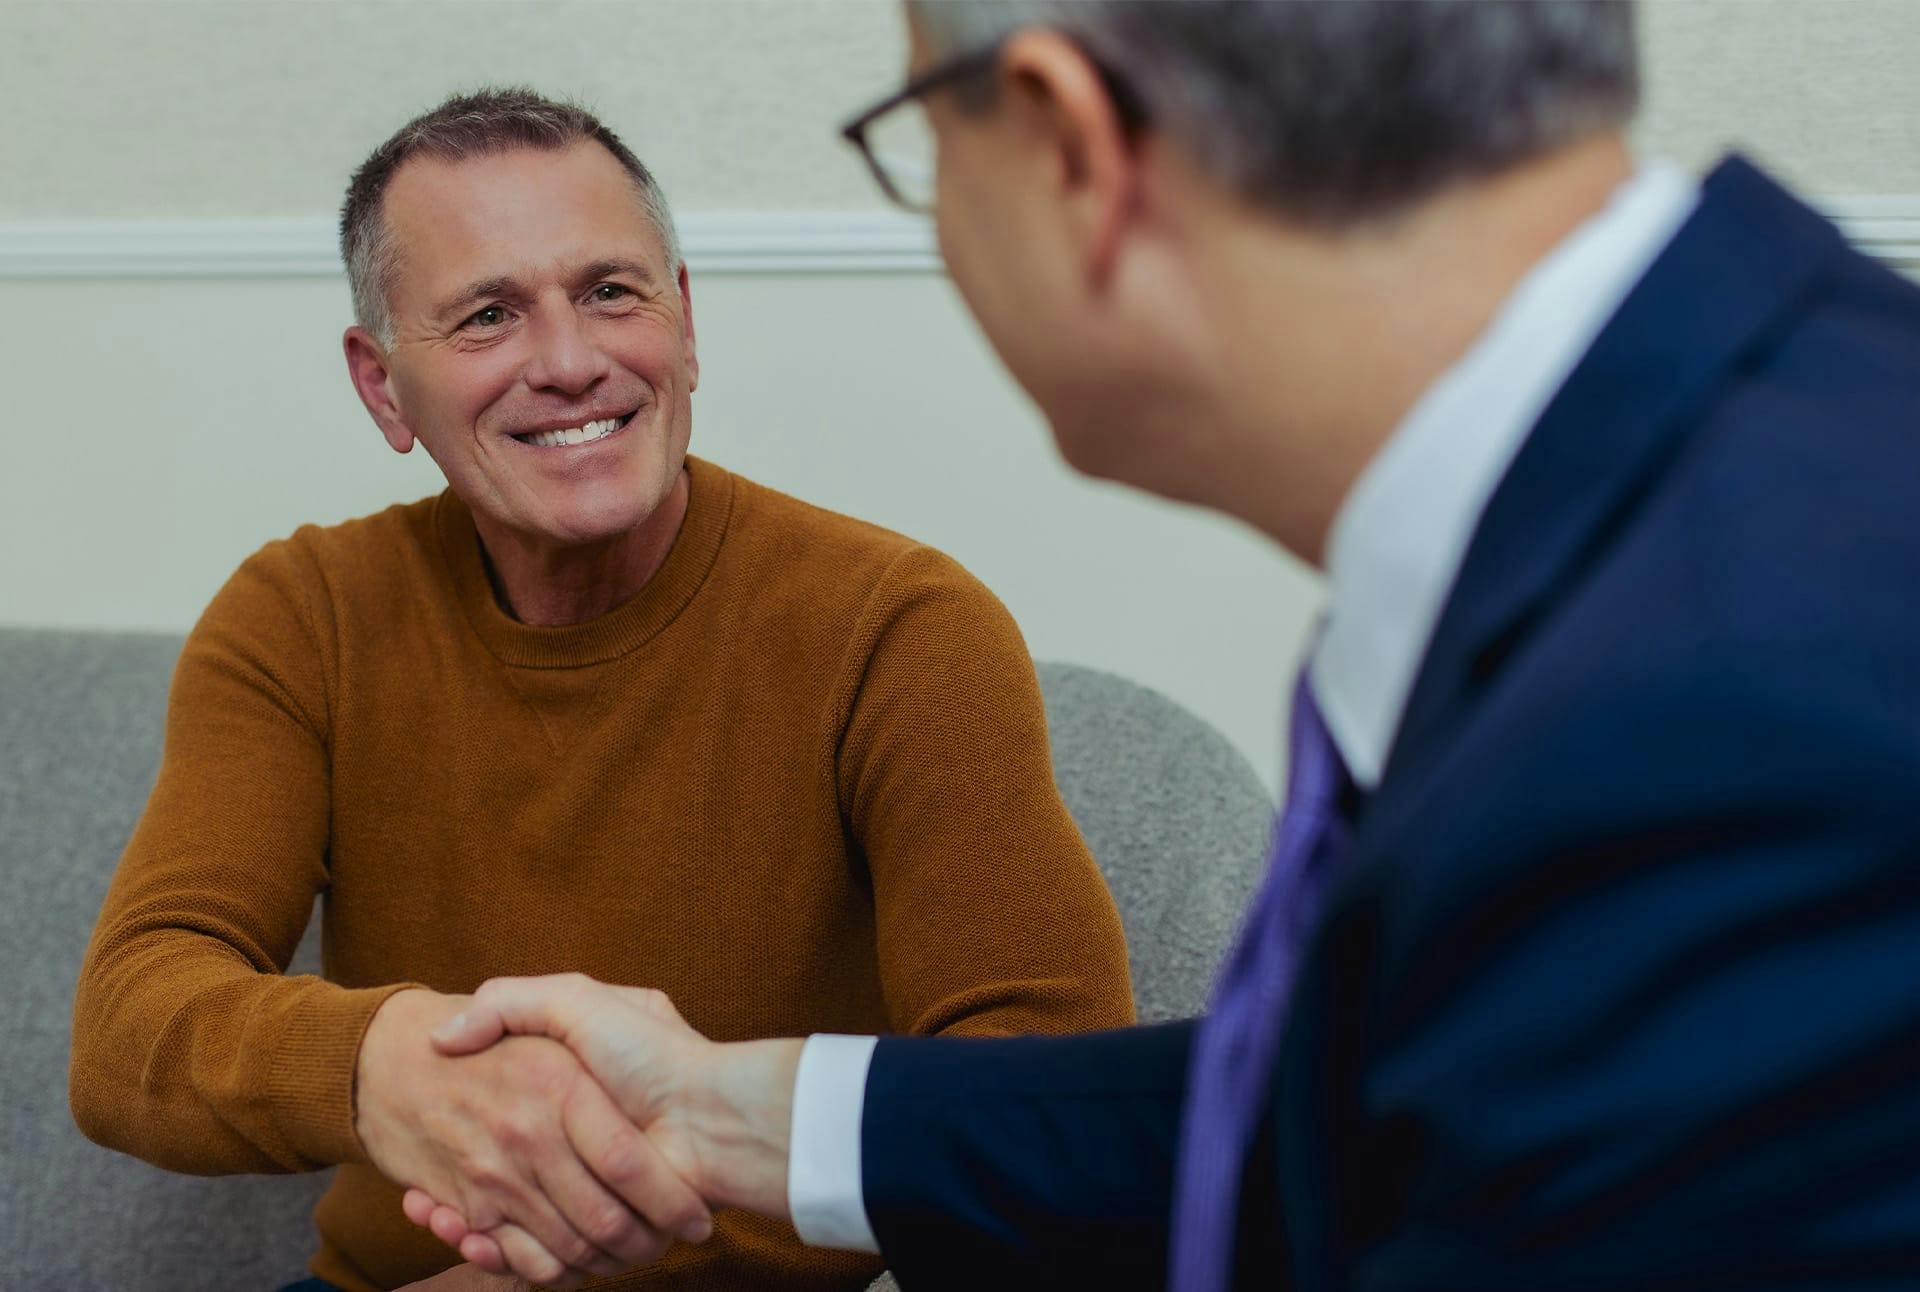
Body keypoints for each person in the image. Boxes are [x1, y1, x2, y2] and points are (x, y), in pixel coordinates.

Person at [396, 2, 1920, 1289]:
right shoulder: (1753, 489)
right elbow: (1376, 1119)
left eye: (924, 139)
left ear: (1068, 144)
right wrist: (739, 1116)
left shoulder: (1726, 716)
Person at [67, 87, 1136, 1292]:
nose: (571, 362)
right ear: (382, 386)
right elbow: (129, 1025)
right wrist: (380, 1061)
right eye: (488, 315)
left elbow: (1050, 1090)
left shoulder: (901, 627)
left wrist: (567, 1258)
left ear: (686, 323)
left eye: (612, 292)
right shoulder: (302, 613)